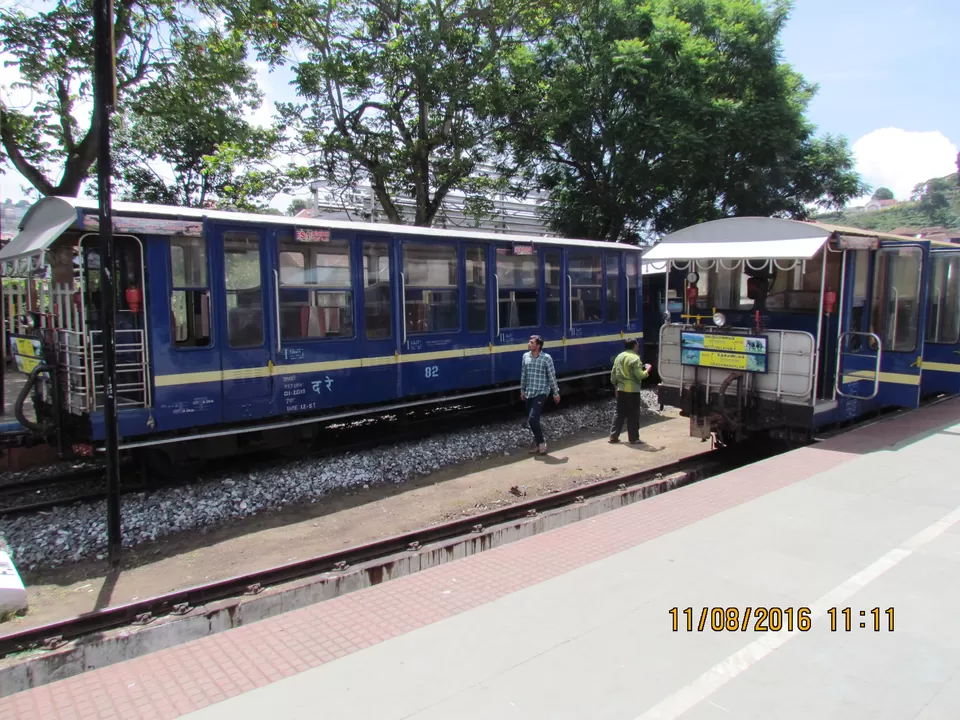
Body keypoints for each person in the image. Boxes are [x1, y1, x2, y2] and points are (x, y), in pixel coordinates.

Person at [519, 335, 560, 455]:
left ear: (538, 346)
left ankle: (542, 444)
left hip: (541, 392)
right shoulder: (525, 356)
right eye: (529, 342)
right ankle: (538, 444)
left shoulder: (546, 358)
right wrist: (522, 390)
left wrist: (556, 393)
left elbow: (552, 377)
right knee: (532, 420)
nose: (529, 344)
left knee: (532, 419)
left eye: (531, 342)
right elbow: (524, 374)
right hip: (529, 392)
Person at [608, 338, 651, 444]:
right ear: (635, 345)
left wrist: (616, 385)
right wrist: (648, 369)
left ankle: (613, 436)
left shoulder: (619, 357)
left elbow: (613, 373)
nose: (638, 346)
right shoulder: (635, 359)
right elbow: (640, 376)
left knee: (619, 412)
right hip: (632, 390)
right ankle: (634, 438)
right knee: (633, 414)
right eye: (637, 345)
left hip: (621, 389)